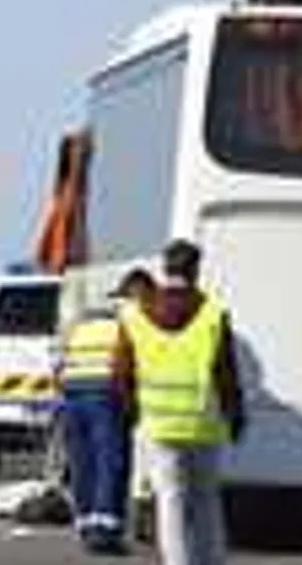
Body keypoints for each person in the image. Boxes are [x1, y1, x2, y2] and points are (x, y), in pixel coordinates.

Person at [113, 240, 245, 565]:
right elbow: (226, 373)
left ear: (166, 269)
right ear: (196, 270)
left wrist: (130, 413)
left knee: (170, 503)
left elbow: (121, 373)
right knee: (206, 502)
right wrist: (235, 414)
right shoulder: (213, 314)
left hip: (159, 425)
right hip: (203, 422)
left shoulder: (135, 316)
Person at [58, 267, 155, 554]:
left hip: (72, 393)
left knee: (82, 462)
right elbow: (133, 364)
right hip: (105, 392)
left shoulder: (86, 324)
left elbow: (60, 360)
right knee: (110, 461)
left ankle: (87, 525)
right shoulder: (134, 319)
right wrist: (133, 405)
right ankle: (106, 530)